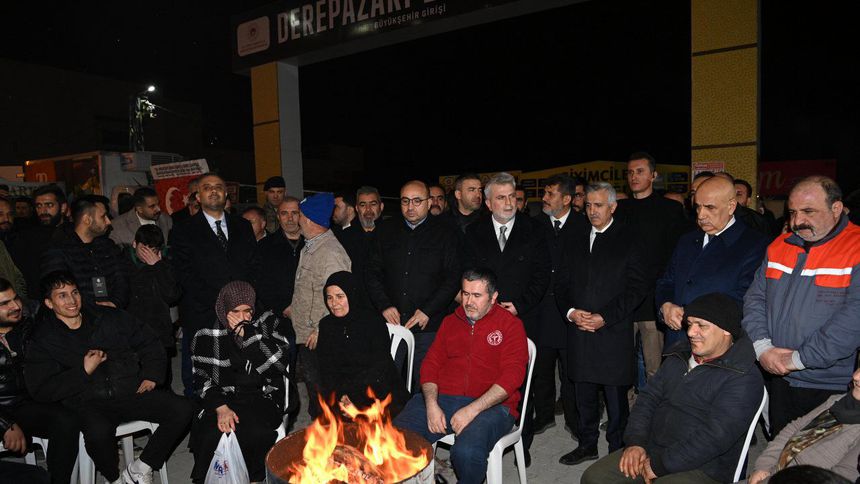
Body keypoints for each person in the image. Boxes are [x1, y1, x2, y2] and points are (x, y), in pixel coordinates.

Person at [25, 271, 193, 484]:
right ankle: (114, 480)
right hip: (88, 403)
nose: (72, 300)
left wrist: (152, 374)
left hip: (129, 390)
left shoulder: (106, 317)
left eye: (74, 292)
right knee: (97, 435)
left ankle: (142, 467)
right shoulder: (44, 339)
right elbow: (42, 389)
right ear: (49, 303)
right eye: (62, 295)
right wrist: (83, 371)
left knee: (183, 408)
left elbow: (149, 340)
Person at [581, 293, 764, 484]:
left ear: (727, 330)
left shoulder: (743, 376)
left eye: (701, 325)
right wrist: (636, 442)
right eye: (690, 324)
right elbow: (647, 400)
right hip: (653, 447)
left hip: (704, 467)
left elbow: (714, 438)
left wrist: (660, 465)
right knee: (594, 478)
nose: (691, 332)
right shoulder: (679, 356)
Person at [743, 176, 860, 436]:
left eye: (808, 211)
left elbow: (852, 321)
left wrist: (797, 359)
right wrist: (763, 349)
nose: (797, 221)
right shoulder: (779, 245)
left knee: (817, 463)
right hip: (779, 377)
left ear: (836, 209)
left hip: (829, 382)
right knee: (779, 452)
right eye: (793, 212)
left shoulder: (856, 248)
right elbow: (754, 300)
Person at [393, 268, 528, 484]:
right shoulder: (450, 322)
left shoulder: (511, 326)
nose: (468, 302)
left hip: (492, 406)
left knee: (466, 452)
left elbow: (512, 378)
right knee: (396, 438)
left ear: (493, 297)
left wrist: (472, 410)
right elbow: (430, 365)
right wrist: (431, 404)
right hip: (444, 398)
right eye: (465, 294)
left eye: (477, 296)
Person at [556, 182, 648, 465]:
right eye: (588, 206)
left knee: (616, 399)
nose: (592, 211)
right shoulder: (575, 238)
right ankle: (587, 444)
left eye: (599, 205)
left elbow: (636, 288)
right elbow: (561, 283)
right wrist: (571, 312)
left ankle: (617, 452)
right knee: (582, 393)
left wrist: (604, 317)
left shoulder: (630, 238)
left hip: (612, 331)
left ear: (613, 207)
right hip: (579, 330)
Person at [463, 172, 550, 464]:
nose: (509, 202)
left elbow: (542, 276)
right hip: (486, 319)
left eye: (512, 196)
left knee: (522, 384)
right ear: (488, 203)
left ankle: (521, 446)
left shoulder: (535, 229)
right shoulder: (474, 232)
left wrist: (521, 306)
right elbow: (470, 276)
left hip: (524, 317)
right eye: (501, 197)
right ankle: (485, 439)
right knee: (486, 380)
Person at [365, 180, 461, 394]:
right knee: (386, 385)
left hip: (429, 326)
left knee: (426, 384)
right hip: (392, 322)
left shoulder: (446, 234)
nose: (410, 207)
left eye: (417, 201)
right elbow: (372, 273)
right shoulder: (386, 231)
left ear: (429, 203)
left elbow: (453, 278)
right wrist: (384, 305)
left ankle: (418, 427)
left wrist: (428, 310)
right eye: (405, 201)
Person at [169, 173, 260, 397]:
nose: (213, 191)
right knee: (201, 375)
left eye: (218, 187)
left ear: (226, 193)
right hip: (202, 311)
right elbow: (184, 274)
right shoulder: (183, 230)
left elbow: (251, 267)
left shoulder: (243, 226)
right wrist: (223, 306)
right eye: (207, 187)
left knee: (237, 371)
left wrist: (242, 306)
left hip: (240, 314)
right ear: (197, 196)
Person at [190, 281, 290, 483]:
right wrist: (220, 407)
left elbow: (278, 365)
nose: (243, 317)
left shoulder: (267, 323)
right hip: (222, 397)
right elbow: (200, 377)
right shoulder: (206, 332)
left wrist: (248, 336)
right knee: (210, 435)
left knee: (255, 433)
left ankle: (254, 479)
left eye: (248, 311)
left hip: (260, 395)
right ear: (224, 309)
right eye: (235, 311)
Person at [656, 176, 769, 349]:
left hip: (718, 348)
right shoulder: (687, 240)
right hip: (676, 343)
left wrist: (699, 318)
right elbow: (667, 281)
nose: (701, 215)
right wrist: (665, 306)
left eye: (710, 207)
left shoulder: (754, 245)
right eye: (698, 207)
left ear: (731, 206)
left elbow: (748, 299)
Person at [614, 152, 686, 384]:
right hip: (622, 300)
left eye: (640, 171)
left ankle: (653, 415)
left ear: (653, 175)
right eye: (630, 172)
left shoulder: (670, 210)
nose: (634, 176)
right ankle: (626, 416)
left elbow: (677, 257)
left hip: (654, 301)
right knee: (620, 365)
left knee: (654, 365)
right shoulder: (618, 209)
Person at [0, 277, 79, 484]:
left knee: (67, 419)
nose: (16, 306)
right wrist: (5, 424)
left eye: (15, 298)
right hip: (3, 409)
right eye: (4, 304)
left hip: (28, 402)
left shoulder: (29, 322)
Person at [529, 174, 585, 448]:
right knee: (541, 368)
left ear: (566, 199)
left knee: (571, 371)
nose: (544, 198)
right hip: (541, 310)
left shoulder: (583, 226)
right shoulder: (535, 225)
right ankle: (544, 414)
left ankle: (575, 422)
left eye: (550, 194)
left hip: (570, 312)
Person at [284, 192, 351, 418]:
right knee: (315, 393)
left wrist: (321, 328)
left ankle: (329, 437)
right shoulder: (311, 246)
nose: (297, 220)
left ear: (311, 220)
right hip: (306, 333)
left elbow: (342, 299)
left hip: (320, 338)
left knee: (325, 395)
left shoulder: (331, 254)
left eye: (300, 216)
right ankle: (320, 434)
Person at [317, 271, 409, 416]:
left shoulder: (373, 323)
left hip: (376, 391)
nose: (334, 303)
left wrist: (355, 400)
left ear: (352, 294)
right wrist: (341, 398)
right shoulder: (326, 326)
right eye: (329, 297)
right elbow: (326, 369)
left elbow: (380, 367)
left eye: (340, 296)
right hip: (342, 393)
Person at [748, 368, 860, 484]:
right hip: (774, 473)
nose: (856, 377)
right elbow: (792, 429)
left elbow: (839, 478)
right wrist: (764, 466)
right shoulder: (837, 400)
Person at [40, 195, 130, 309]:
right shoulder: (58, 250)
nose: (108, 221)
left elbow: (122, 278)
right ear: (87, 219)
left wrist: (115, 303)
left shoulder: (108, 246)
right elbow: (57, 291)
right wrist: (91, 310)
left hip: (113, 315)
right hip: (79, 318)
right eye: (103, 217)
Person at [126, 225, 181, 387]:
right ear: (134, 244)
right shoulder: (123, 263)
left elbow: (172, 295)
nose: (147, 255)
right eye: (144, 249)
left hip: (158, 332)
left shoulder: (166, 264)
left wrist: (158, 266)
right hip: (131, 333)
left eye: (153, 250)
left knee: (162, 382)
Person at [8, 185, 66, 298]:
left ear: (63, 207)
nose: (43, 211)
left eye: (49, 205)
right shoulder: (26, 237)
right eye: (38, 206)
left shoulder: (75, 233)